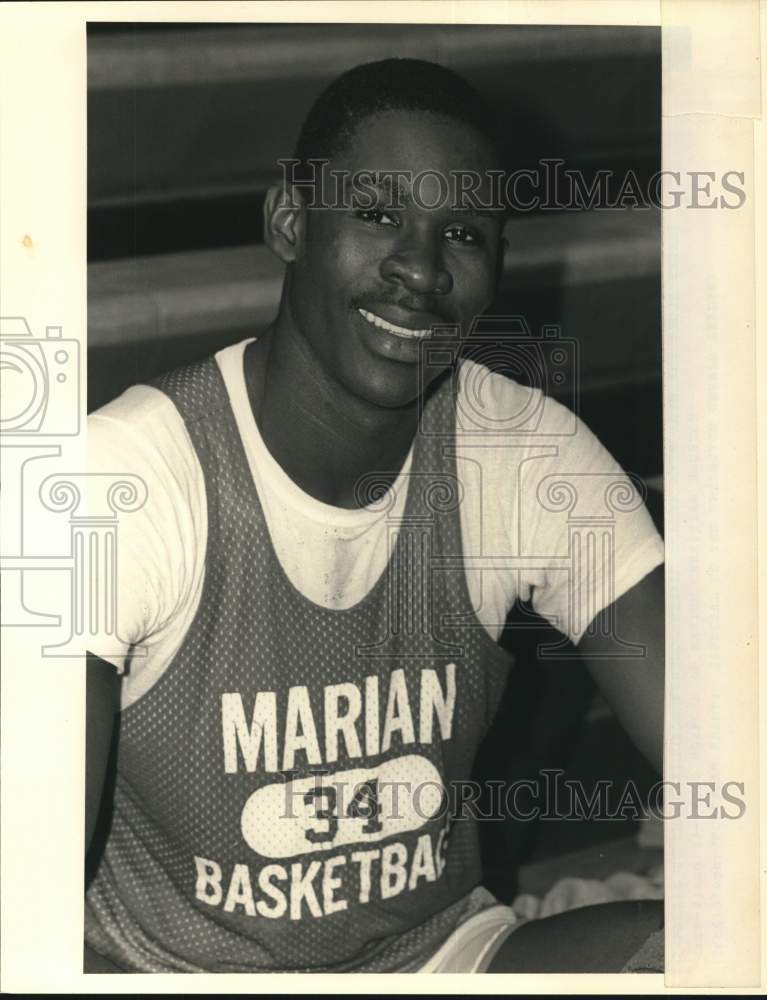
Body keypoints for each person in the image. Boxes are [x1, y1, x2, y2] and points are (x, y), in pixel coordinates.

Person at [84, 58, 665, 974]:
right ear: (290, 220)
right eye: (379, 214)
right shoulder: (127, 477)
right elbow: (26, 901)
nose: (420, 270)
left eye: (464, 233)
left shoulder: (520, 455)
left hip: (438, 957)